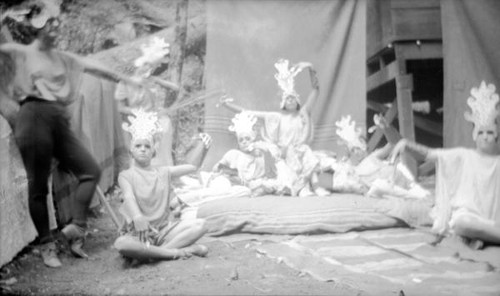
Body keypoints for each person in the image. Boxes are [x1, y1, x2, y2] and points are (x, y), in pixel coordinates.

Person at [0, 7, 143, 267]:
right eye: (50, 25)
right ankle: (46, 245)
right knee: (38, 186)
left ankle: (76, 227)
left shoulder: (61, 57)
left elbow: (96, 67)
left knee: (89, 170)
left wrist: (127, 79)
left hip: (57, 119)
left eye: (58, 25)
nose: (56, 29)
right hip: (32, 117)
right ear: (37, 28)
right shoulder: (18, 53)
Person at [390, 81, 500, 249]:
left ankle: (486, 235)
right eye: (481, 132)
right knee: (462, 222)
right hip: (471, 218)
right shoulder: (464, 155)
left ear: (497, 136)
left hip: (495, 220)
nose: (485, 137)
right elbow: (431, 154)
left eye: (490, 133)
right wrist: (407, 144)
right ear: (474, 135)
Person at [219, 59, 327, 197]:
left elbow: (315, 90)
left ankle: (315, 187)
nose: (291, 100)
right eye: (288, 98)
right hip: (285, 154)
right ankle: (301, 189)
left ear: (298, 100)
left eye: (293, 98)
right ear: (283, 102)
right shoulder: (276, 117)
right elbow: (248, 112)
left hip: (301, 152)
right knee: (291, 164)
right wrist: (227, 105)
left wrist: (311, 68)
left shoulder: (303, 113)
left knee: (308, 153)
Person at [113, 109, 209, 262]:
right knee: (121, 244)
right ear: (131, 152)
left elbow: (192, 167)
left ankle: (155, 254)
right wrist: (137, 217)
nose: (143, 149)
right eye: (138, 146)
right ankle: (179, 251)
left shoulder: (164, 172)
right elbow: (128, 196)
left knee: (201, 225)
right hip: (139, 233)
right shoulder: (126, 176)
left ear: (154, 152)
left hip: (164, 231)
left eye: (147, 146)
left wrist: (203, 147)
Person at [114, 36, 179, 167]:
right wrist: (137, 112)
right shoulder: (125, 83)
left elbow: (175, 88)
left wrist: (157, 80)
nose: (147, 69)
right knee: (141, 149)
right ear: (138, 65)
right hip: (135, 121)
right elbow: (120, 108)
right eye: (144, 65)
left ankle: (160, 174)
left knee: (164, 128)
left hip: (154, 119)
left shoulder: (151, 80)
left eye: (150, 66)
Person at [331, 114, 429, 200]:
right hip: (388, 190)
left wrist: (386, 128)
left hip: (401, 181)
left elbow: (394, 143)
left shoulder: (373, 157)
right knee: (378, 185)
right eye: (353, 150)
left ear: (365, 146)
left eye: (358, 148)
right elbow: (341, 185)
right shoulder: (351, 171)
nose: (356, 152)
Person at [212, 111, 287, 197]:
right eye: (241, 140)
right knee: (221, 183)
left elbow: (271, 174)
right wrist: (223, 170)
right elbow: (215, 168)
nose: (244, 142)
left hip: (253, 185)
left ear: (252, 140)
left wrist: (266, 152)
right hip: (235, 184)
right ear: (238, 143)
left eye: (247, 139)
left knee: (271, 181)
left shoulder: (259, 156)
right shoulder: (233, 154)